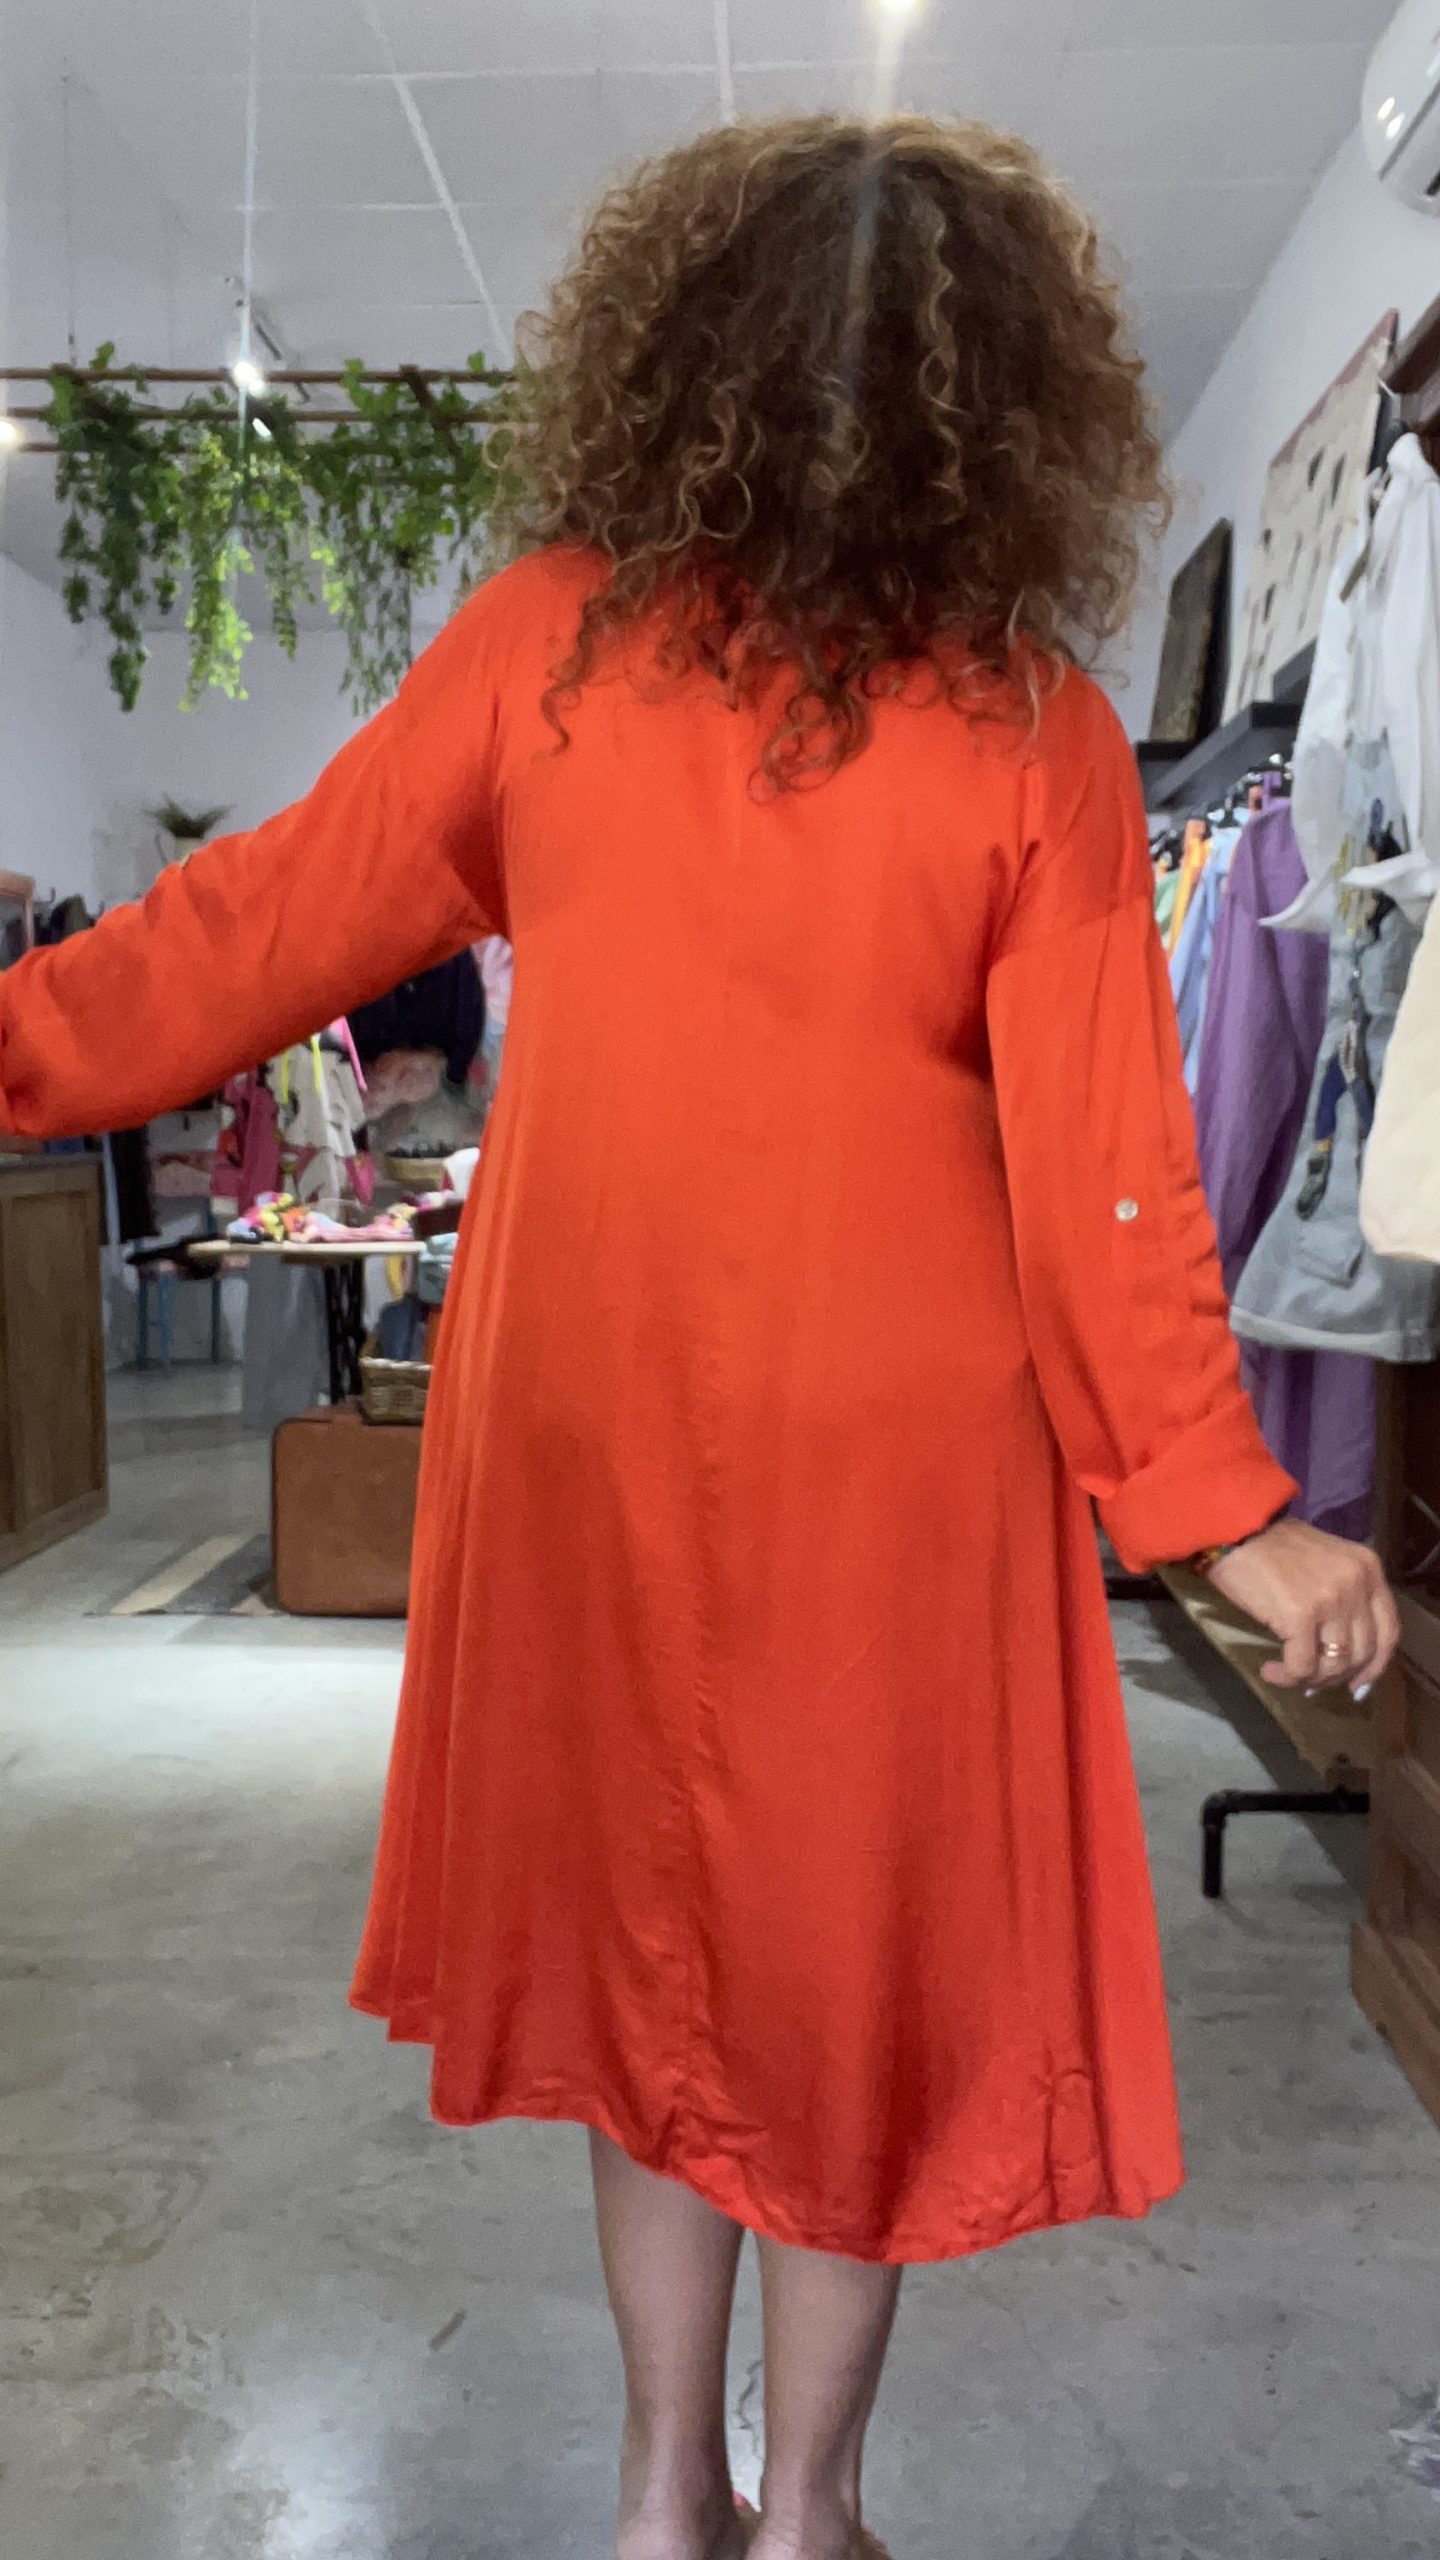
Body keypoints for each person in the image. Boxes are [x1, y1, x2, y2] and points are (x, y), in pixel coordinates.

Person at [0, 116, 1398, 2560]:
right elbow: (1109, 1176)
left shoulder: (549, 643)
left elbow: (261, 920)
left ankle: (669, 2497)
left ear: (677, 361)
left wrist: (20, 1041)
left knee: (660, 1961)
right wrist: (1223, 1509)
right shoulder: (1031, 725)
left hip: (595, 1417)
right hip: (896, 1461)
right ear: (1002, 404)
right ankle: (809, 2511)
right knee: (838, 1983)